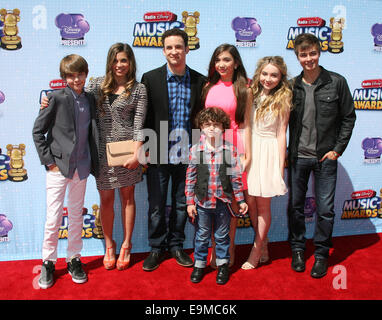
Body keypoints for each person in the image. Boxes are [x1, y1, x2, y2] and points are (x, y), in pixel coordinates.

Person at [41, 43, 148, 271]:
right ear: (109, 62)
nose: (119, 65)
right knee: (106, 201)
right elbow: (75, 101)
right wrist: (47, 101)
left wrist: (138, 152)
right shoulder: (97, 84)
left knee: (128, 199)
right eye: (115, 60)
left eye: (124, 60)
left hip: (128, 153)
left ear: (130, 63)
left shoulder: (139, 89)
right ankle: (110, 245)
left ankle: (127, 245)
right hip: (100, 154)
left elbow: (140, 124)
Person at [288, 33, 356, 278]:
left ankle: (321, 254)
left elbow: (349, 117)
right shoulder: (291, 85)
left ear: (320, 52)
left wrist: (337, 149)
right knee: (296, 207)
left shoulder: (336, 82)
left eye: (313, 53)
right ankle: (297, 249)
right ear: (297, 56)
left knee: (325, 209)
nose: (309, 59)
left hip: (325, 158)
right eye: (303, 55)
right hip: (298, 157)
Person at [141, 28, 206, 271]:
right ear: (163, 50)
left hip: (187, 155)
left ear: (187, 49)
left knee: (181, 204)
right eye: (169, 47)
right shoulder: (150, 78)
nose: (174, 51)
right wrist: (145, 148)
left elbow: (201, 118)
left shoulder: (200, 81)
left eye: (178, 47)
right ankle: (156, 248)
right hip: (158, 153)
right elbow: (145, 117)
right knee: (157, 205)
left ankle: (177, 245)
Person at [32, 54, 99, 288]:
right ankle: (48, 262)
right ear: (64, 78)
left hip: (82, 166)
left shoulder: (91, 98)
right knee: (53, 218)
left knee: (76, 216)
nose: (76, 79)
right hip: (58, 168)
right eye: (71, 75)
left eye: (80, 74)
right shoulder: (55, 98)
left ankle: (74, 258)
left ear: (86, 74)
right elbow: (38, 132)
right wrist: (49, 161)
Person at [185, 107, 248, 284]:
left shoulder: (231, 150)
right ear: (201, 127)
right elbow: (190, 178)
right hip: (202, 203)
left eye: (216, 124)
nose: (212, 128)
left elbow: (235, 178)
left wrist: (241, 199)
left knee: (222, 236)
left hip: (223, 203)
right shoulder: (195, 150)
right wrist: (190, 202)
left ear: (224, 127)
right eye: (207, 124)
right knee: (202, 235)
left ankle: (222, 266)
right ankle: (199, 265)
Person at [241, 56, 292, 270]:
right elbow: (245, 125)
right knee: (250, 201)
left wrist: (279, 167)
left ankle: (256, 249)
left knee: (263, 205)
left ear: (281, 77)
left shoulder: (284, 97)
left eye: (273, 75)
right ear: (258, 73)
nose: (268, 79)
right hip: (251, 149)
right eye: (265, 74)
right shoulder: (250, 93)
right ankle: (263, 241)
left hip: (269, 151)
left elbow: (282, 134)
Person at [202, 43, 250, 268]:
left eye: (227, 60)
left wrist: (246, 154)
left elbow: (246, 124)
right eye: (218, 60)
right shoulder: (208, 86)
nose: (222, 64)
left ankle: (228, 249)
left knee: (229, 200)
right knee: (211, 200)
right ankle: (214, 248)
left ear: (236, 63)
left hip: (233, 146)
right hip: (208, 146)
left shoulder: (244, 88)